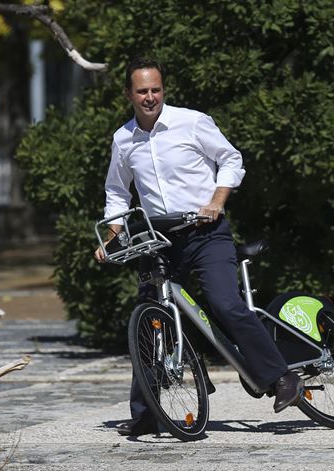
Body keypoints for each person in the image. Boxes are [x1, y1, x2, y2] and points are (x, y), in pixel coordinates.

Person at [94, 57, 304, 436]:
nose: (150, 97)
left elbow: (230, 159)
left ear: (163, 90)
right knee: (150, 319)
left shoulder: (192, 122)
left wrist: (217, 201)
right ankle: (145, 415)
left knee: (225, 303)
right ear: (129, 94)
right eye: (142, 91)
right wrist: (112, 235)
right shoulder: (123, 139)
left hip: (207, 232)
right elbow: (115, 191)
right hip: (159, 239)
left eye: (155, 89)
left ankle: (282, 377)